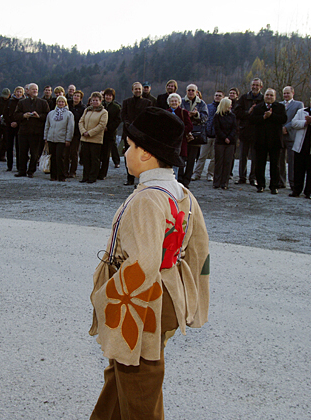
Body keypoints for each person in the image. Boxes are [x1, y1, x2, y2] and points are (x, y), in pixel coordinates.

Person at [88, 107, 210, 420]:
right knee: (122, 372)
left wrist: (108, 298)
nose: (125, 151)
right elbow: (198, 250)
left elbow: (141, 263)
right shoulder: (182, 193)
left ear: (145, 153)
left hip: (144, 303)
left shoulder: (147, 199)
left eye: (129, 146)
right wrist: (190, 297)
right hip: (167, 294)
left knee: (140, 381)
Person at [247, 88, 287, 194]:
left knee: (275, 165)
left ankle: (274, 186)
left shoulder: (280, 107)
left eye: (271, 95)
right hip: (260, 140)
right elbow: (251, 120)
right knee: (259, 164)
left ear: (275, 97)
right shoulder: (258, 107)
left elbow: (283, 119)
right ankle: (260, 185)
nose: (269, 97)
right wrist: (263, 117)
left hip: (275, 141)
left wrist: (272, 116)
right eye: (267, 95)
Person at [14, 83, 50, 178]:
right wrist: (23, 116)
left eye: (36, 90)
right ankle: (22, 170)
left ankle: (31, 171)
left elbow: (48, 116)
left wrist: (39, 116)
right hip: (24, 131)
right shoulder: (22, 102)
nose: (35, 91)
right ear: (28, 91)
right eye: (33, 89)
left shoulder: (43, 103)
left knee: (34, 154)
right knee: (22, 152)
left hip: (36, 132)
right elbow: (16, 115)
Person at [234, 78, 264, 185]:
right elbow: (236, 112)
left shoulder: (263, 99)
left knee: (255, 157)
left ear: (261, 87)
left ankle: (253, 178)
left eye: (257, 85)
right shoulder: (243, 98)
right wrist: (248, 112)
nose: (255, 87)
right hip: (244, 131)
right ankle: (242, 177)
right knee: (243, 156)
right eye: (253, 85)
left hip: (257, 132)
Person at [121, 82, 152, 185]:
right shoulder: (126, 102)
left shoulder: (147, 102)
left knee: (142, 157)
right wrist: (128, 125)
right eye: (136, 89)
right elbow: (123, 116)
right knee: (128, 156)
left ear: (142, 90)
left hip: (142, 133)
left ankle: (142, 179)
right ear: (132, 90)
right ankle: (130, 179)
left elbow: (148, 117)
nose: (138, 91)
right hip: (128, 132)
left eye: (139, 89)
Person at [180, 84, 208, 188]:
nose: (191, 92)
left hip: (196, 134)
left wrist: (196, 115)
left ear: (196, 92)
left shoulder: (202, 104)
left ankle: (187, 181)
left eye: (193, 90)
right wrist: (187, 115)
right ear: (186, 91)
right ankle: (180, 179)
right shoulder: (181, 101)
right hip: (183, 134)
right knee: (182, 157)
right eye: (189, 90)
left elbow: (205, 118)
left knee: (191, 160)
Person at [192, 90, 223, 181]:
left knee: (214, 157)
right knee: (202, 156)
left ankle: (210, 174)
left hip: (217, 137)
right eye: (216, 95)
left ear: (222, 97)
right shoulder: (208, 106)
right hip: (207, 135)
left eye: (219, 96)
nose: (217, 97)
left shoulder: (223, 108)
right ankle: (197, 173)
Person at [79, 91, 108, 183]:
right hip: (85, 138)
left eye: (96, 100)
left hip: (95, 139)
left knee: (94, 159)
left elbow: (101, 125)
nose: (94, 102)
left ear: (100, 101)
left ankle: (92, 177)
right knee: (85, 158)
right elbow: (81, 121)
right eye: (93, 100)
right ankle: (85, 176)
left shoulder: (104, 112)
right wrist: (83, 132)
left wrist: (90, 133)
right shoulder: (87, 110)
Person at [44, 95, 74, 181]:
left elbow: (70, 128)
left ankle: (62, 175)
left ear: (65, 103)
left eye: (62, 102)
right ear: (56, 103)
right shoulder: (51, 113)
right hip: (51, 138)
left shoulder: (69, 114)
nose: (61, 103)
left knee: (60, 157)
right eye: (59, 102)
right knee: (52, 157)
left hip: (62, 139)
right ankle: (53, 175)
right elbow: (47, 126)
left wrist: (68, 139)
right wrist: (45, 137)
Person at [280, 86, 304, 190]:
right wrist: (280, 128)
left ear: (292, 93)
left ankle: (293, 183)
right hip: (280, 135)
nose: (286, 95)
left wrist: (286, 127)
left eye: (287, 93)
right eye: (284, 93)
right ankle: (281, 181)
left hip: (291, 135)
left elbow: (297, 118)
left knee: (292, 161)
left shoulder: (298, 105)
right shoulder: (279, 105)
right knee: (280, 160)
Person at [167, 93, 193, 178]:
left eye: (175, 101)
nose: (174, 103)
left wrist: (180, 132)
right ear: (169, 102)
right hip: (169, 143)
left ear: (179, 102)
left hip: (181, 142)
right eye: (172, 101)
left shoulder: (184, 112)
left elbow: (190, 126)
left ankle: (178, 183)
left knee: (179, 164)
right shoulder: (166, 112)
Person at [213, 97, 237, 189]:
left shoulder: (232, 116)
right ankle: (217, 182)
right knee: (219, 162)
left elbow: (234, 128)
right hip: (220, 141)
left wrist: (229, 137)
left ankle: (224, 182)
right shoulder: (217, 116)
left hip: (230, 142)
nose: (231, 106)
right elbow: (217, 129)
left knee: (228, 162)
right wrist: (224, 137)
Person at [99, 88, 122, 180]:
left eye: (110, 95)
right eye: (106, 95)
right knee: (98, 154)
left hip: (109, 134)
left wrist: (108, 128)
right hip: (99, 133)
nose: (108, 97)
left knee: (106, 155)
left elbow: (118, 120)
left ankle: (103, 174)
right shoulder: (101, 105)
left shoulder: (116, 107)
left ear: (113, 97)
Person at [66, 90, 86, 178]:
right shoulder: (67, 105)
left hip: (76, 133)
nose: (76, 97)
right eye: (75, 95)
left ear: (81, 98)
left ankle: (72, 171)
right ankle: (65, 170)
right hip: (66, 132)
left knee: (74, 153)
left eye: (78, 96)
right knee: (65, 152)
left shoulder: (83, 108)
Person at [5, 86, 24, 172]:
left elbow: (24, 115)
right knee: (9, 146)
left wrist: (17, 123)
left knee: (19, 147)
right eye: (17, 91)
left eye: (20, 92)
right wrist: (10, 123)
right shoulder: (9, 102)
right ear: (14, 92)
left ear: (23, 93)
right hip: (10, 126)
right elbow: (5, 114)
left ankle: (19, 166)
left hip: (20, 127)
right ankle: (9, 165)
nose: (19, 93)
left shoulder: (24, 102)